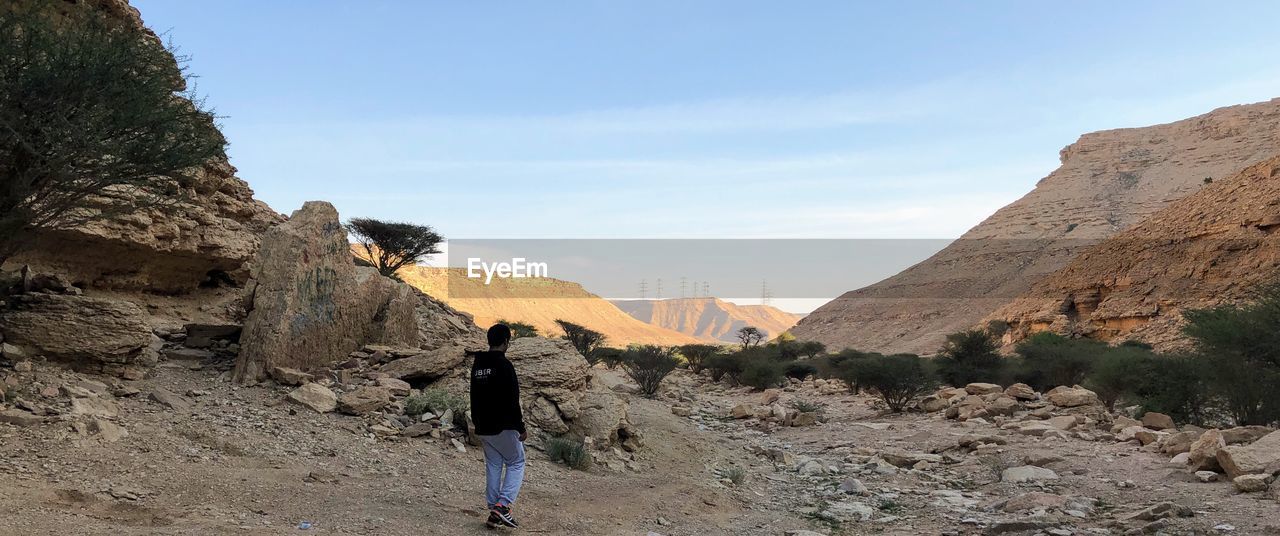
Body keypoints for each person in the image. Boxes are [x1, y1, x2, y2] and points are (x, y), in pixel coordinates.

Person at [470, 324, 527, 529]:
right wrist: (521, 427)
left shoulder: (478, 364)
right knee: (516, 462)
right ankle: (502, 506)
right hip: (503, 425)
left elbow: (473, 396)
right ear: (505, 342)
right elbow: (512, 399)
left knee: (494, 464)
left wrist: (476, 422)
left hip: (483, 426)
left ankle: (494, 508)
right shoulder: (504, 365)